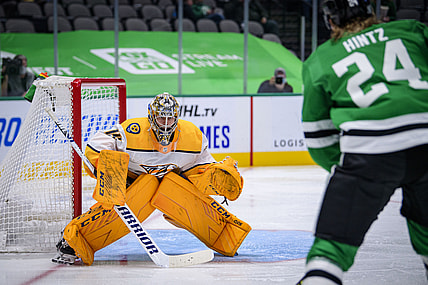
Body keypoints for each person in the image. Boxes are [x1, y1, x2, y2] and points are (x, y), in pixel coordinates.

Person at [297, 0, 428, 284]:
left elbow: (319, 139)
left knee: (328, 254)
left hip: (371, 152)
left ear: (330, 22)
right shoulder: (410, 30)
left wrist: (352, 174)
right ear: (372, 13)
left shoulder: (320, 59)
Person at [52, 92, 251, 266]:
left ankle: (224, 236)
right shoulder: (132, 132)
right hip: (134, 185)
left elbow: (200, 168)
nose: (165, 124)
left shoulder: (193, 136)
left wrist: (214, 176)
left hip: (170, 186)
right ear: (152, 116)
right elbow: (96, 145)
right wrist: (112, 174)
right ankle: (74, 239)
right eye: (161, 118)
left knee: (170, 187)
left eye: (170, 119)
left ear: (176, 118)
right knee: (145, 186)